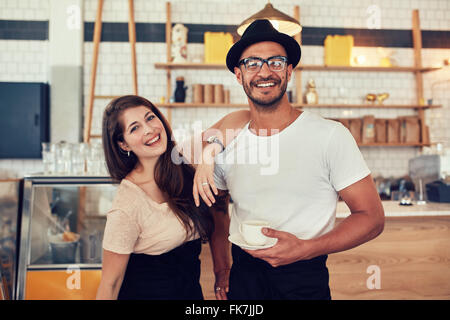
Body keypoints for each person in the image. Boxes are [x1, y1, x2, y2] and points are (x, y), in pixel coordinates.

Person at [193, 19, 385, 300]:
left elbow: (372, 218)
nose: (265, 71)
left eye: (276, 62)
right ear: (238, 74)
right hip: (244, 279)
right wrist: (222, 268)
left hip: (304, 279)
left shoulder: (329, 135)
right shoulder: (227, 140)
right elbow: (217, 208)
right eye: (253, 63)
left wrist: (307, 248)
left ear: (289, 70)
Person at [96, 95, 215, 300]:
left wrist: (211, 152)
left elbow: (237, 121)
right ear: (123, 144)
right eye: (135, 128)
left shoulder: (182, 164)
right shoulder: (128, 205)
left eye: (150, 118)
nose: (149, 129)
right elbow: (110, 284)